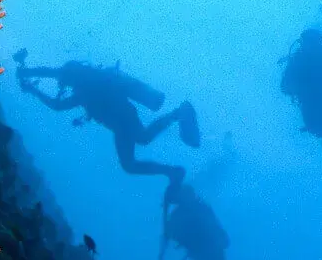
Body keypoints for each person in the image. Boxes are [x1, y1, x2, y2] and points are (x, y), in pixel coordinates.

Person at [16, 50, 200, 182]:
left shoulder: (83, 91)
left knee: (138, 148)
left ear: (72, 78)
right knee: (134, 155)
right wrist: (27, 72)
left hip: (122, 119)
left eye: (65, 81)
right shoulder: (85, 79)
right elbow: (51, 72)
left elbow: (57, 104)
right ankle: (171, 167)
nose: (63, 83)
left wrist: (33, 89)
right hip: (122, 118)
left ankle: (176, 119)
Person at [279, 27, 322, 170]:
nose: (310, 47)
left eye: (312, 43)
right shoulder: (298, 62)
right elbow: (285, 87)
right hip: (314, 105)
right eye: (307, 43)